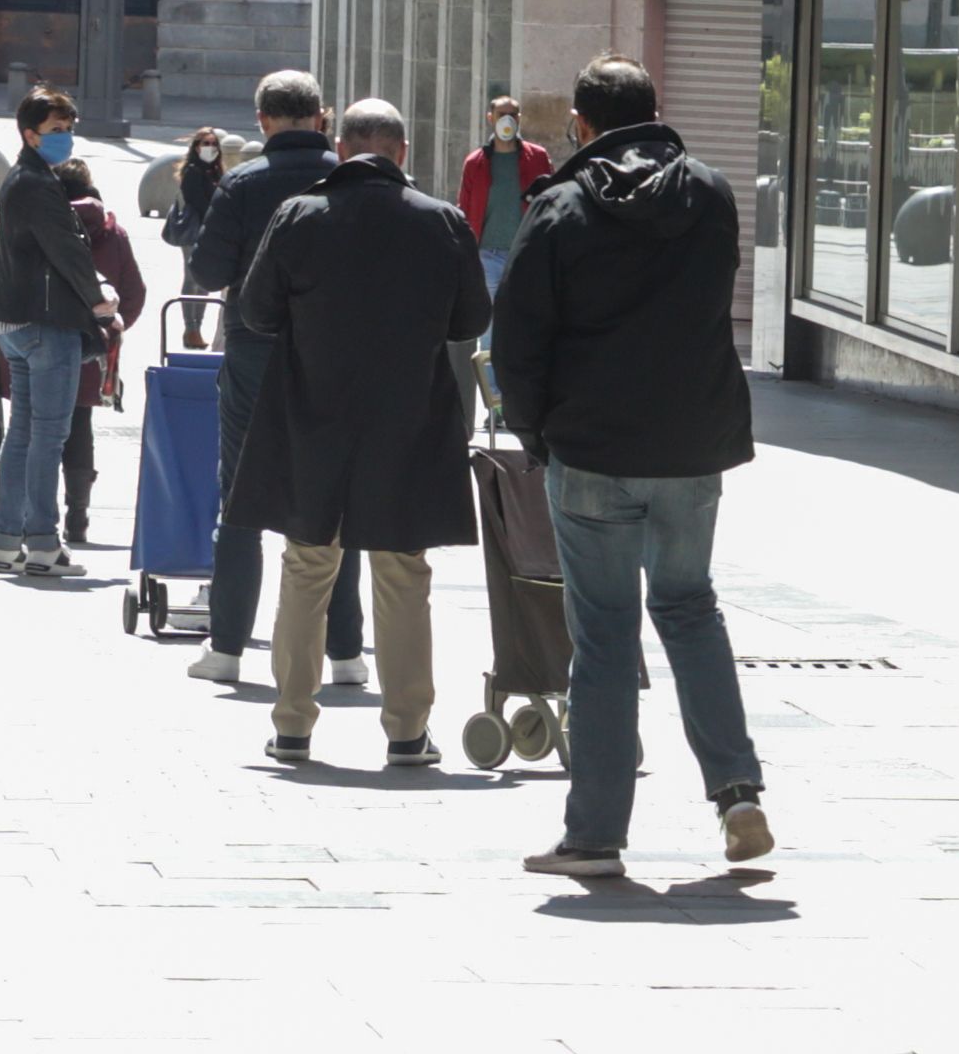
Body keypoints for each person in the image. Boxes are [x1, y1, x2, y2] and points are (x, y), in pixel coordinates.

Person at [489, 54, 771, 879]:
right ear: (656, 108)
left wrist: (538, 436)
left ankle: (596, 835)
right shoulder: (710, 194)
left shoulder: (560, 207)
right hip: (691, 445)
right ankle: (738, 793)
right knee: (690, 608)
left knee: (604, 637)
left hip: (593, 449)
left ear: (581, 124)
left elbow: (518, 341)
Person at [233, 86, 491, 767]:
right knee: (403, 572)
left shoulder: (300, 215)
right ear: (402, 153)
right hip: (408, 420)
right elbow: (470, 320)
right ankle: (407, 729)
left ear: (339, 148)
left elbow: (256, 312)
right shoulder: (441, 221)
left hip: (314, 414)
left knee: (307, 563)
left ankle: (292, 723)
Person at [179, 73, 356, 690]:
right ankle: (347, 654)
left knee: (243, 495)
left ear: (262, 121)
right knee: (335, 499)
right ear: (319, 117)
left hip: (256, 353)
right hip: (336, 356)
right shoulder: (349, 179)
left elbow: (205, 267)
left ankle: (227, 647)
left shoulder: (244, 183)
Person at [0, 88, 94, 576]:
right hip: (46, 322)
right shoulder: (38, 184)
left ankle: (6, 540)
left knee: (24, 432)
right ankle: (43, 543)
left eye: (68, 129)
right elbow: (66, 250)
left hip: (15, 320)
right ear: (30, 133)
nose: (65, 138)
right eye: (56, 131)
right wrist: (98, 300)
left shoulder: (20, 176)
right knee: (49, 435)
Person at [61, 154, 148, 548]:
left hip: (44, 340)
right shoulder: (114, 233)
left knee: (36, 427)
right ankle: (77, 518)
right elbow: (135, 292)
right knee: (80, 426)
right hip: (93, 347)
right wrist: (112, 329)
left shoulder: (46, 223)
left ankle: (34, 517)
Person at [453, 95, 555, 294]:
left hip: (526, 253)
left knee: (522, 317)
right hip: (487, 255)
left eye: (512, 115)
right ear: (490, 118)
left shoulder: (538, 158)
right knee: (491, 320)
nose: (507, 120)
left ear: (518, 119)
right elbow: (464, 209)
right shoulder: (475, 163)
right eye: (501, 115)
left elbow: (551, 201)